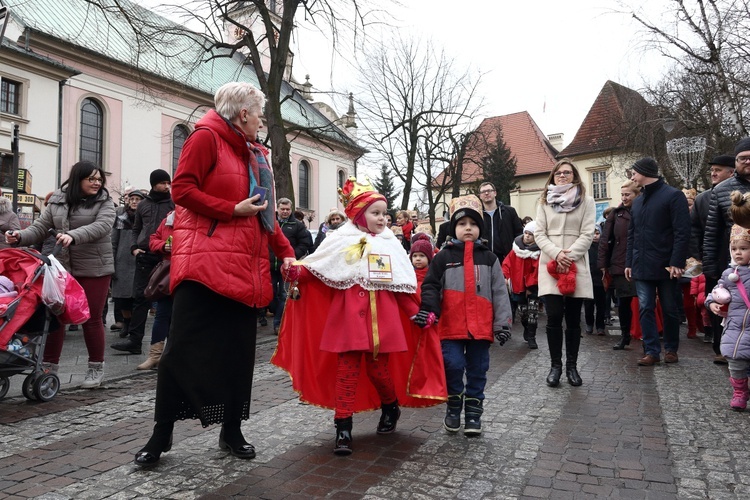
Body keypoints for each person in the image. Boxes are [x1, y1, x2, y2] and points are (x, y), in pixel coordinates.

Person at [133, 81, 296, 466]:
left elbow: (267, 215)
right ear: (243, 114)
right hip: (204, 265)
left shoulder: (256, 153)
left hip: (245, 268)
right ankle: (161, 435)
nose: (261, 121)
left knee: (237, 355)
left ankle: (231, 430)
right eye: (259, 115)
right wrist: (230, 209)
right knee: (181, 352)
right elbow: (183, 191)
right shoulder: (206, 137)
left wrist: (286, 255)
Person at [272, 178, 446, 455]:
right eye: (375, 213)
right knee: (347, 367)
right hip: (349, 316)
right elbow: (319, 268)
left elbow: (401, 286)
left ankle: (390, 405)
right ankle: (343, 425)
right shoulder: (340, 239)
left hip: (383, 316)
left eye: (384, 213)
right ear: (358, 214)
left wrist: (416, 313)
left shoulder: (391, 244)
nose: (382, 218)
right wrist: (295, 271)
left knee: (379, 371)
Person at [5, 160, 115, 388]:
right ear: (78, 179)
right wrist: (20, 236)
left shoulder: (105, 201)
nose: (97, 183)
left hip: (95, 268)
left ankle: (96, 367)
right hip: (62, 269)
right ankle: (49, 366)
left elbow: (103, 226)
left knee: (91, 319)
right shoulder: (57, 200)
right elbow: (40, 227)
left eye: (99, 179)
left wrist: (73, 235)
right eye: (91, 179)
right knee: (54, 316)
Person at [419, 195, 512, 435]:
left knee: (478, 368)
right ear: (454, 228)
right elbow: (430, 286)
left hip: (480, 327)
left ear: (480, 228)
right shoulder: (443, 258)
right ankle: (453, 405)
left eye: (473, 223)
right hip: (451, 325)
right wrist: (429, 309)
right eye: (462, 224)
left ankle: (473, 413)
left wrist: (502, 324)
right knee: (452, 364)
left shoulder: (489, 258)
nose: (467, 228)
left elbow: (500, 292)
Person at [534, 159, 595, 387]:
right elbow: (540, 234)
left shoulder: (586, 201)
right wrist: (556, 254)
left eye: (567, 173)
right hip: (550, 265)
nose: (562, 176)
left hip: (575, 263)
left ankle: (572, 366)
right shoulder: (544, 202)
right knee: (553, 316)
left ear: (575, 176)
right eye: (558, 173)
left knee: (572, 319)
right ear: (553, 176)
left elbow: (588, 233)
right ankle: (555, 366)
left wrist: (568, 255)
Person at [625, 157, 690, 366]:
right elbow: (632, 235)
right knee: (645, 307)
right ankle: (651, 350)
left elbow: (682, 232)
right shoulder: (638, 201)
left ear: (645, 172)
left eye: (634, 172)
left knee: (670, 308)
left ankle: (671, 348)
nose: (632, 176)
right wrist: (629, 262)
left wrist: (677, 261)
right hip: (641, 264)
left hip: (666, 264)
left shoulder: (673, 196)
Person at [111, 169, 174, 355]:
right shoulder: (144, 205)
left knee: (166, 300)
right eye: (163, 183)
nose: (166, 186)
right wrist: (134, 248)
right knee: (140, 298)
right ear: (154, 184)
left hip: (166, 256)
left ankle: (169, 343)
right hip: (145, 254)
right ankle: (135, 340)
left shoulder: (173, 204)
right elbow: (135, 228)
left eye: (168, 182)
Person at [695, 154, 738, 359]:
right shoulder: (702, 198)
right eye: (712, 169)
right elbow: (695, 229)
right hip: (715, 259)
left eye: (718, 169)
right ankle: (720, 347)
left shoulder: (738, 194)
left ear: (732, 172)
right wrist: (699, 255)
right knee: (718, 303)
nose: (713, 173)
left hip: (737, 255)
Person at [706, 223, 750, 411]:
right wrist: (712, 303)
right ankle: (739, 392)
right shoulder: (729, 274)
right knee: (735, 361)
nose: (737, 253)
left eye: (744, 249)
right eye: (734, 249)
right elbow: (715, 291)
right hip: (734, 327)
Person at [598, 181, 642, 350]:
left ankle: (646, 335)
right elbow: (605, 240)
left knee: (645, 303)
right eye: (622, 195)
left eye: (627, 195)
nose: (624, 198)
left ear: (637, 195)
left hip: (641, 263)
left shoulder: (643, 211)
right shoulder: (616, 214)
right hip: (620, 264)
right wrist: (603, 264)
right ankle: (625, 335)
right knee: (623, 303)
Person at [138, 210, 174, 370]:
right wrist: (163, 246)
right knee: (162, 315)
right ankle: (155, 356)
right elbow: (153, 239)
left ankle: (174, 355)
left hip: (188, 272)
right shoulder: (169, 218)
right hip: (168, 272)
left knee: (180, 317)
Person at [269, 198, 312, 334]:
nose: (285, 211)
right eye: (283, 209)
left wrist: (293, 256)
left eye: (287, 209)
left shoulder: (297, 225)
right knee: (270, 294)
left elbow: (304, 243)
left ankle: (278, 324)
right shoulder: (270, 221)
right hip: (269, 264)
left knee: (283, 294)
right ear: (278, 209)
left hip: (287, 267)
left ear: (291, 209)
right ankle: (273, 312)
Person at [111, 189, 145, 339]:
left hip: (140, 261)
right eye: (132, 199)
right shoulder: (120, 217)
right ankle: (126, 322)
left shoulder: (146, 218)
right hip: (122, 261)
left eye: (138, 199)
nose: (134, 201)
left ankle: (134, 326)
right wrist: (112, 261)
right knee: (122, 298)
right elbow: (113, 242)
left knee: (137, 298)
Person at [501, 220, 541, 349]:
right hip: (518, 286)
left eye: (531, 234)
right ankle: (527, 328)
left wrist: (531, 286)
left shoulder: (538, 252)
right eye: (526, 233)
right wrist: (506, 277)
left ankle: (532, 337)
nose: (527, 236)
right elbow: (507, 263)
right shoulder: (516, 250)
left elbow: (538, 270)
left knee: (532, 313)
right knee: (523, 312)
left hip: (532, 287)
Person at [478, 181, 524, 264]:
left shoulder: (509, 212)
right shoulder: (477, 215)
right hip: (484, 259)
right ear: (480, 196)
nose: (487, 193)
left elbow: (519, 234)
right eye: (483, 192)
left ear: (495, 193)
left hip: (507, 259)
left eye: (489, 190)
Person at [584, 223, 607, 335]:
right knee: (588, 304)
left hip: (600, 280)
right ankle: (589, 324)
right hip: (588, 279)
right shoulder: (586, 247)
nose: (595, 236)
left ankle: (600, 326)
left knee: (601, 305)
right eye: (593, 233)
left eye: (597, 233)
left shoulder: (603, 247)